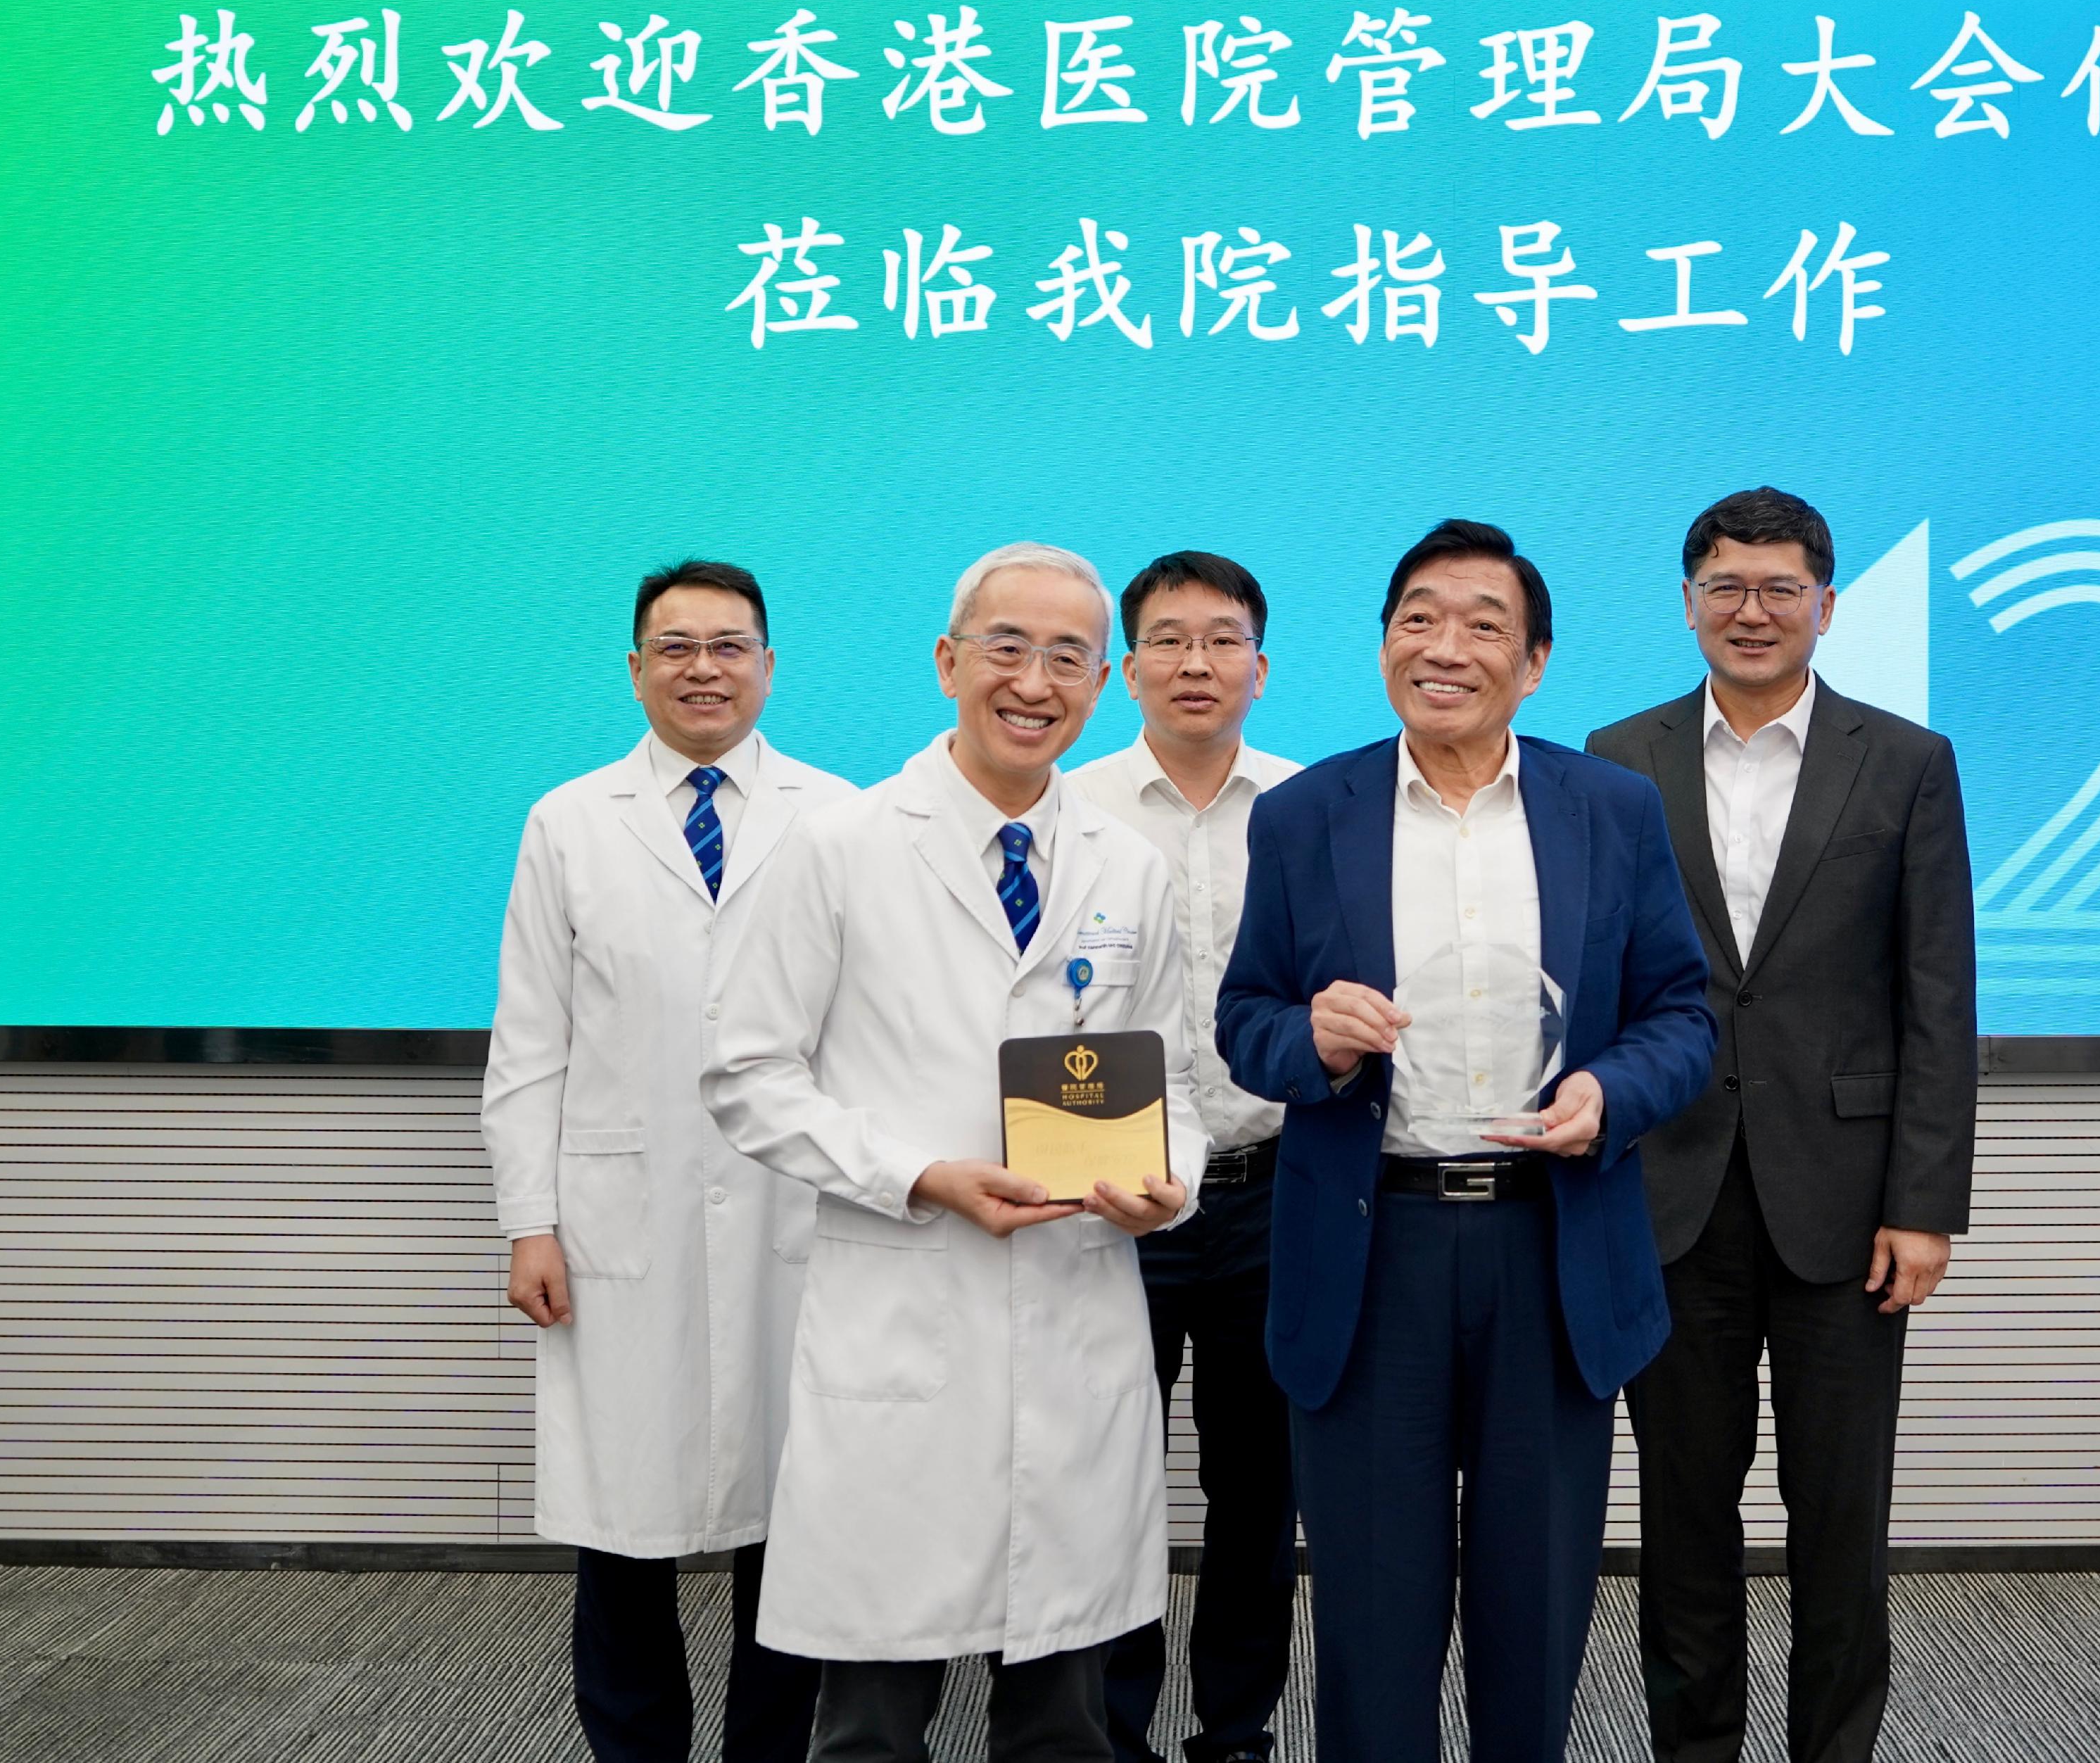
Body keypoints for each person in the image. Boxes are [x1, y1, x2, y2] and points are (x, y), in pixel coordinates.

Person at [1217, 518, 1719, 1763]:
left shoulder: (1611, 807)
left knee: (1534, 1612)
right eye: (1419, 619)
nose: (1447, 646)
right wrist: (1316, 1041)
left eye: (1483, 624)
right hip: (1369, 1246)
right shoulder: (1302, 813)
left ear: (1534, 660)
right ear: (1384, 644)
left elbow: (1684, 1015)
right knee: (1372, 1621)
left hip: (1550, 1248)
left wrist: (1611, 1091)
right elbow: (1246, 1022)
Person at [702, 541, 1208, 1763]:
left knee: (1065, 1717)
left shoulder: (1128, 867)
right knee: (872, 1721)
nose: (1036, 681)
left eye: (1070, 658)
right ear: (947, 661)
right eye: (1008, 647)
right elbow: (744, 1072)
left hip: (1078, 1307)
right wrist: (916, 1173)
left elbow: (1177, 1077)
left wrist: (1169, 1182)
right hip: (905, 1311)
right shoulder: (841, 846)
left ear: (1104, 684)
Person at [1586, 488, 1978, 1763]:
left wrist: (1926, 1203)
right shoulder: (1616, 756)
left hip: (1851, 1207)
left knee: (1839, 1522)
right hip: (1670, 1195)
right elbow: (1601, 985)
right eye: (1724, 586)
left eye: (1778, 587)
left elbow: (1938, 993)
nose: (1750, 611)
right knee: (1684, 1518)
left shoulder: (1907, 760)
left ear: (1825, 602)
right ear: (1688, 599)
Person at [481, 559, 852, 1763]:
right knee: (624, 1524)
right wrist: (530, 1219)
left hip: (796, 1213)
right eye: (678, 646)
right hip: (615, 1224)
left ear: (769, 667)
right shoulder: (570, 821)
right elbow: (531, 1042)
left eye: (729, 645)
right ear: (636, 667)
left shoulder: (837, 816)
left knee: (792, 1523)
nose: (705, 668)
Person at [1071, 552, 1303, 1763]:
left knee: (1260, 1484)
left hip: (1276, 1192)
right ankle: (1107, 1724)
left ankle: (1236, 1722)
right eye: (1168, 640)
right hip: (1116, 1198)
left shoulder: (1316, 807)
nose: (1196, 664)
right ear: (1127, 667)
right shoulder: (1069, 805)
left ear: (1261, 667)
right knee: (1108, 1476)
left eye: (1223, 640)